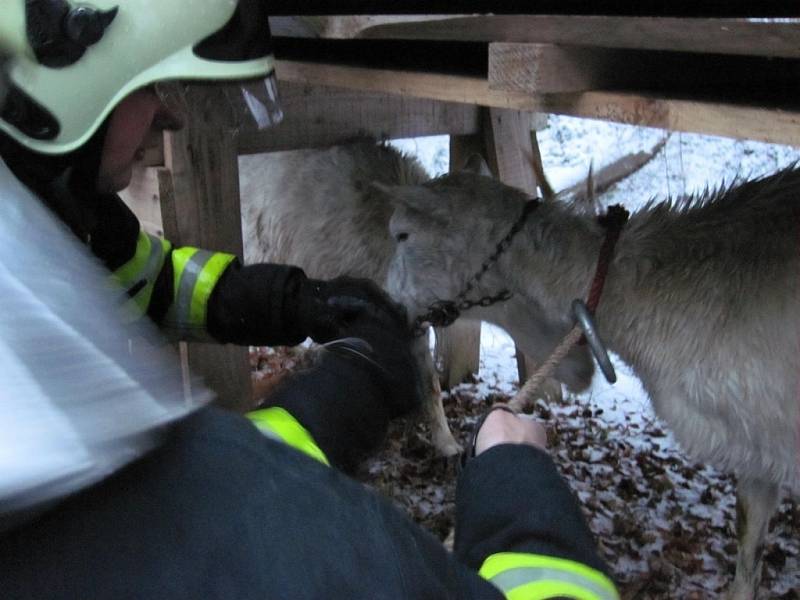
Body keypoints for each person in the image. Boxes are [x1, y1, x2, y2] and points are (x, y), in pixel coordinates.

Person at [0, 2, 620, 598]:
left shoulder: (49, 226)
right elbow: (209, 516)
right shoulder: (69, 487)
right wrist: (518, 488)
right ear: (73, 90)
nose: (171, 119)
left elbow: (153, 282)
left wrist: (296, 304)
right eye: (154, 89)